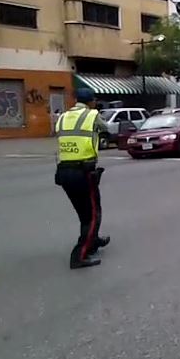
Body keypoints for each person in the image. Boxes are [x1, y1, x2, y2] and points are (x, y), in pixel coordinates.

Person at [55, 89, 110, 269]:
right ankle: (79, 255)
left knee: (84, 213)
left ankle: (93, 240)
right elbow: (106, 129)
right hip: (83, 171)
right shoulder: (92, 115)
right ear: (91, 101)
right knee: (93, 214)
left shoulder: (62, 117)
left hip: (63, 171)